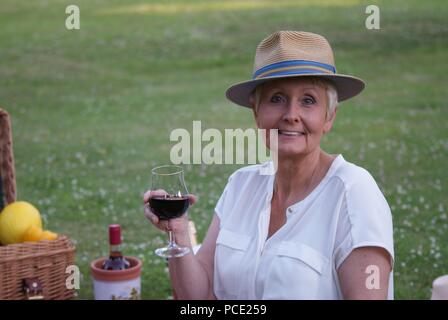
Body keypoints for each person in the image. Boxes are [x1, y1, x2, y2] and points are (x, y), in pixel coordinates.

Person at [144, 31, 394, 300]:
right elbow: (199, 295)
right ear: (256, 113)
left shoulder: (354, 193)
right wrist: (179, 233)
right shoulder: (241, 185)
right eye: (276, 98)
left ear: (329, 117)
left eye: (308, 100)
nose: (291, 115)